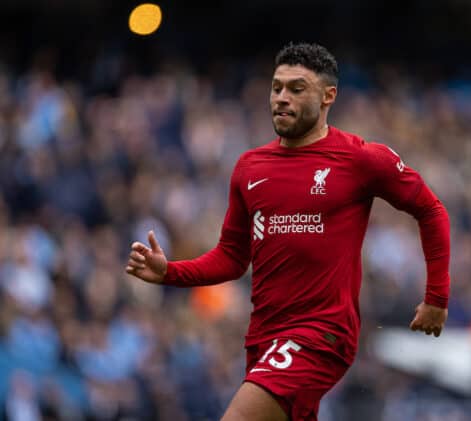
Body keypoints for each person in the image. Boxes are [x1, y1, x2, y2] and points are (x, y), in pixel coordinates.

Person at [126, 42, 450, 421]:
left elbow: (430, 209)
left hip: (321, 334)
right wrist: (171, 272)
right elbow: (232, 258)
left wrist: (437, 299)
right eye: (277, 87)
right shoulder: (250, 166)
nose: (281, 98)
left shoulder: (360, 158)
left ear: (328, 96)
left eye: (296, 89)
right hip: (263, 338)